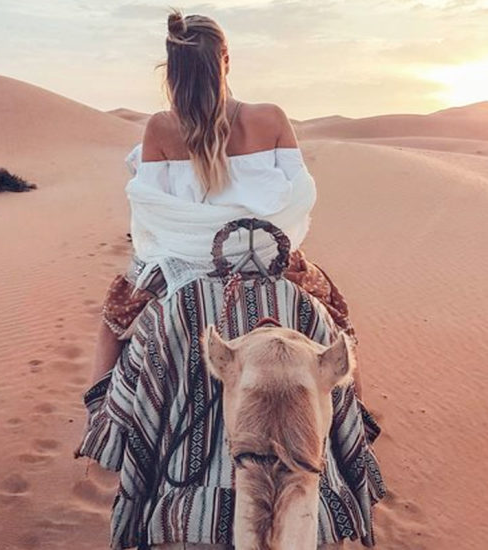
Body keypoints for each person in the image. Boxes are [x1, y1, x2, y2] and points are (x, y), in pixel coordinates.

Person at [75, 8, 385, 549]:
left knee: (115, 318)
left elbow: (151, 212)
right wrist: (264, 237)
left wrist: (188, 246)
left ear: (171, 70)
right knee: (336, 321)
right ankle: (355, 431)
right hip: (273, 256)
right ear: (226, 59)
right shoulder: (271, 117)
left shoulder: (160, 128)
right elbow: (298, 198)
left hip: (183, 263)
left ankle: (106, 425)